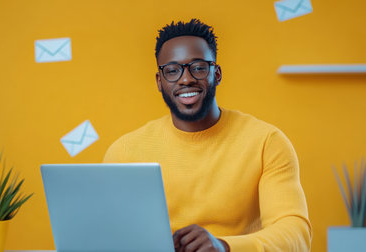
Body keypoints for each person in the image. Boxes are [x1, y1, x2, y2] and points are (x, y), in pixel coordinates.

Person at [103, 19, 311, 252]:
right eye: (172, 70)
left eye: (199, 67)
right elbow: (110, 236)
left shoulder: (267, 142)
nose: (186, 78)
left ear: (217, 73)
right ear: (159, 82)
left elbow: (296, 234)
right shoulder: (124, 152)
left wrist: (224, 247)